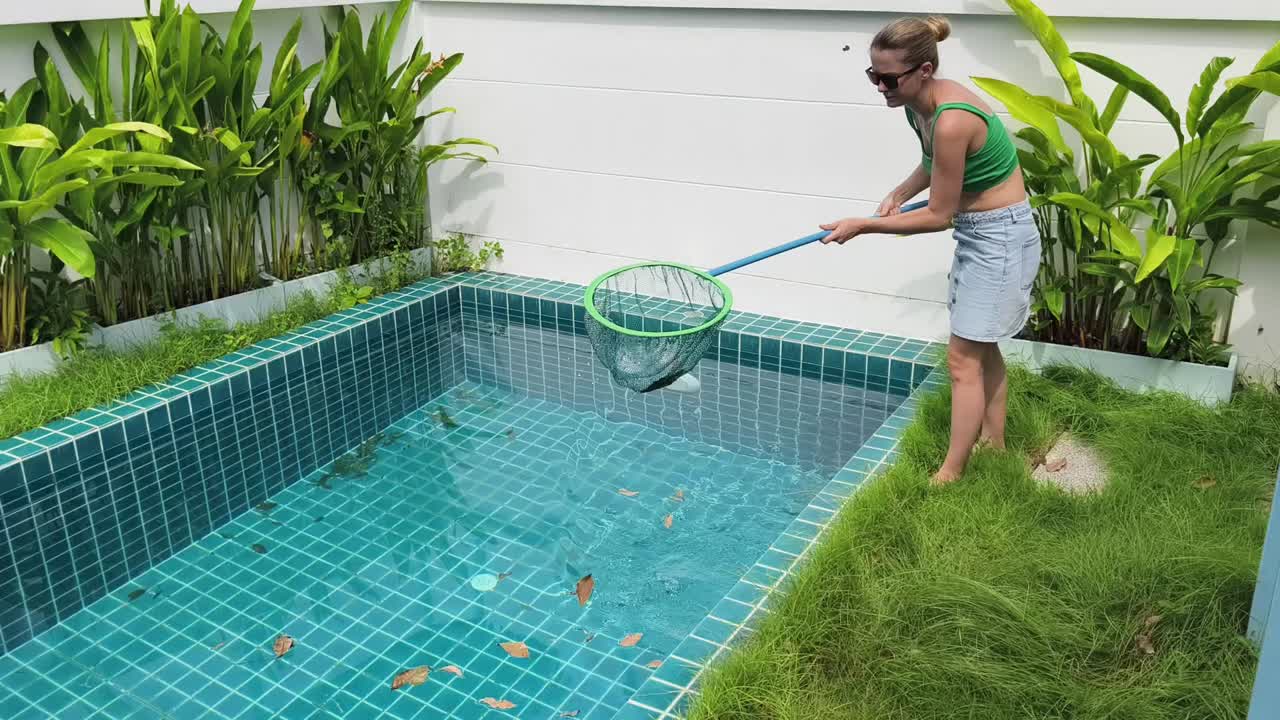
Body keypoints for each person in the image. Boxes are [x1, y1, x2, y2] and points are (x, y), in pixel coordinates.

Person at [818, 15, 1041, 486]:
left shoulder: (953, 119)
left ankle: (951, 474)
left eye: (888, 78)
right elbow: (932, 162)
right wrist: (900, 192)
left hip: (999, 238)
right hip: (980, 233)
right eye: (873, 75)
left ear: (924, 70)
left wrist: (866, 226)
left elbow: (938, 215)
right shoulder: (915, 102)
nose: (880, 86)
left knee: (962, 361)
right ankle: (994, 445)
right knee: (981, 349)